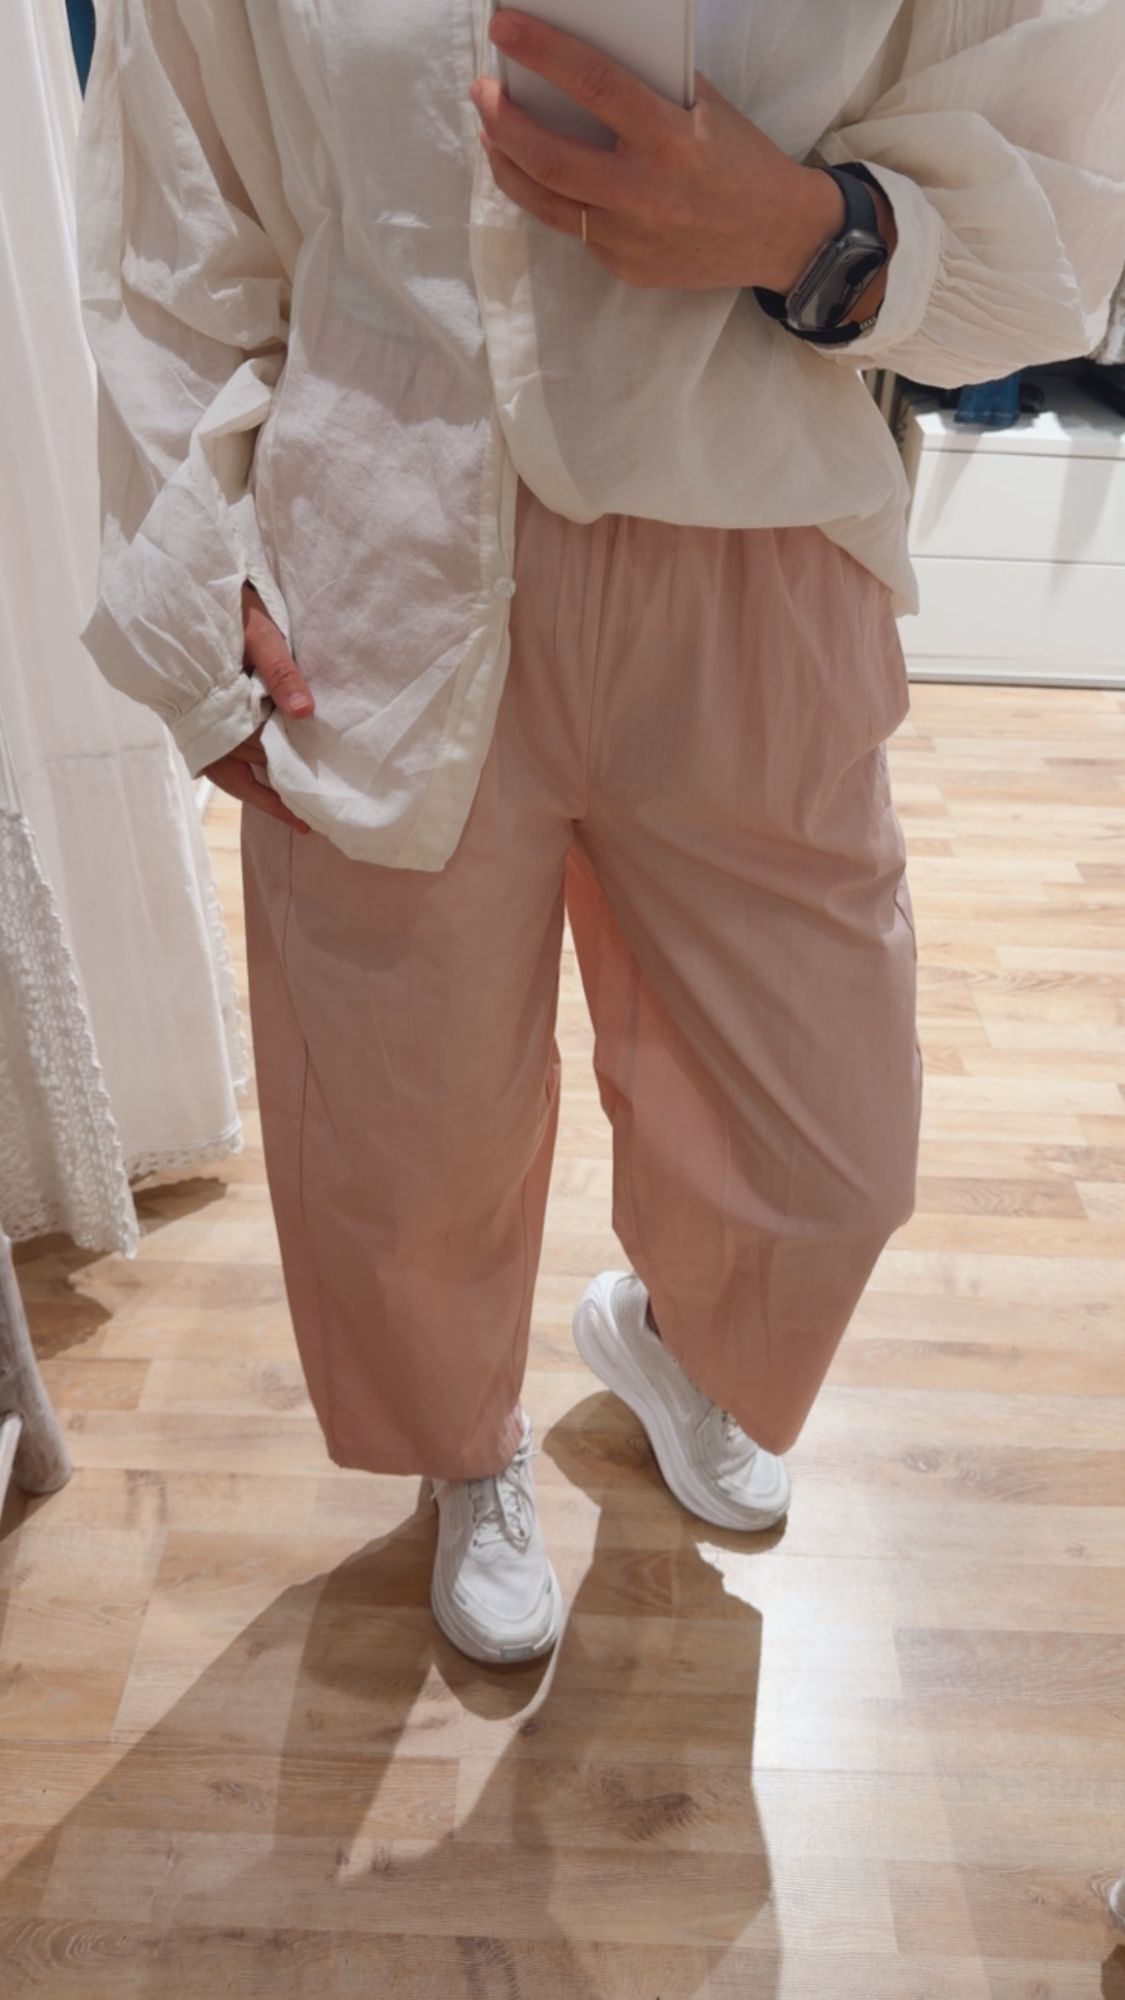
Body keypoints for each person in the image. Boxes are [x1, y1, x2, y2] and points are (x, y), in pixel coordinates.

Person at [78, 1, 1125, 1666]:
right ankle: (465, 1450)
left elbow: (1059, 200)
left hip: (753, 522)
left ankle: (673, 1338)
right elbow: (175, 211)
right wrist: (188, 570)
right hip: (373, 542)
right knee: (400, 1129)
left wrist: (808, 230)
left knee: (829, 1154)